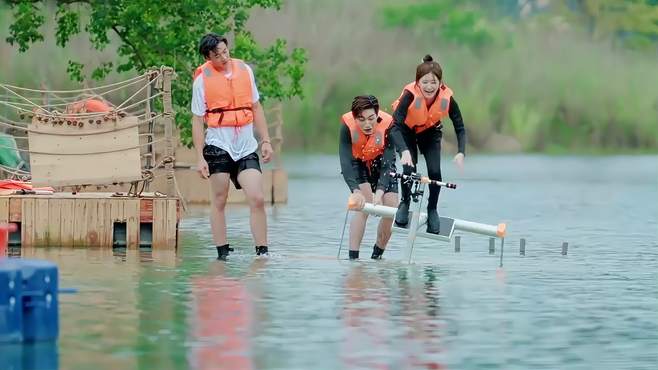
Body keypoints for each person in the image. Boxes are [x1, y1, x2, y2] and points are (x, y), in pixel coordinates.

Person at [191, 33, 273, 260]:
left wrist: (265, 140)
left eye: (225, 52)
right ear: (208, 57)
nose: (223, 58)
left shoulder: (245, 71)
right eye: (217, 55)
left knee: (256, 197)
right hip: (219, 145)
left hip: (245, 145)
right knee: (219, 199)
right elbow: (197, 120)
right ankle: (222, 253)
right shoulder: (202, 81)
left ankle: (262, 252)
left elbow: (256, 107)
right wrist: (200, 158)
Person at [390, 55, 466, 234]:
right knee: (409, 169)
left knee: (435, 172)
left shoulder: (448, 97)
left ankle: (432, 208)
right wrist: (404, 150)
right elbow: (394, 126)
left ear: (440, 83)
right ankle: (405, 202)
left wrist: (461, 152)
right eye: (425, 82)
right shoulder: (410, 95)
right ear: (417, 83)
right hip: (406, 130)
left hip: (430, 132)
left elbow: (460, 126)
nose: (429, 87)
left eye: (434, 82)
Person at [340, 95, 398, 259]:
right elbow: (345, 162)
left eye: (371, 118)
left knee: (391, 208)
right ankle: (353, 258)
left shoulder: (389, 125)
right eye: (362, 119)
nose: (367, 124)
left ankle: (377, 255)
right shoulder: (346, 126)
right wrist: (355, 190)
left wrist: (379, 193)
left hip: (381, 164)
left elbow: (388, 163)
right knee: (362, 204)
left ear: (377, 114)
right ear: (354, 117)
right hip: (358, 163)